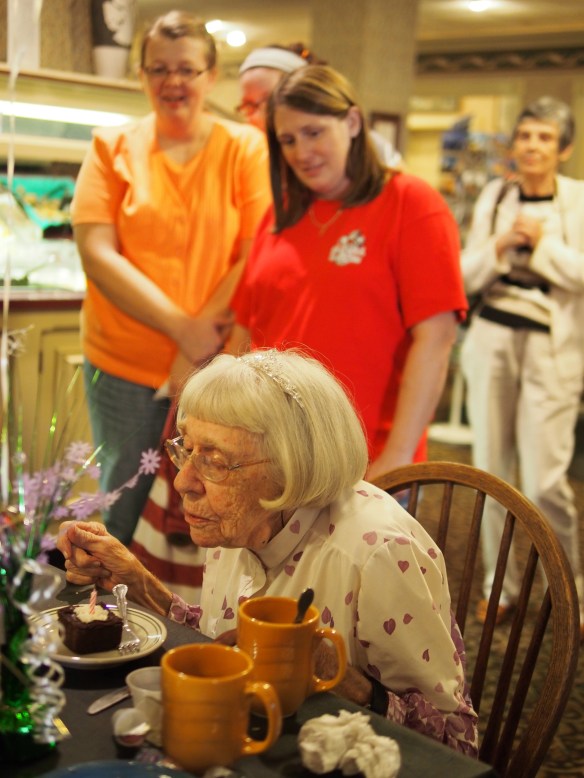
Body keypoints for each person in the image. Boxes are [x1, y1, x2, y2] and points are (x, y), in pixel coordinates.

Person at [58, 348, 478, 755]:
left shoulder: (378, 554)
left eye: (215, 460)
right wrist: (138, 581)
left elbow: (455, 745)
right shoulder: (239, 520)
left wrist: (343, 680)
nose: (184, 481)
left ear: (288, 470)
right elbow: (220, 636)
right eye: (186, 447)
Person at [71, 10, 271, 545]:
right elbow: (96, 251)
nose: (172, 82)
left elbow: (255, 250)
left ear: (211, 76)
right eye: (158, 69)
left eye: (186, 69)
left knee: (208, 511)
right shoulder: (110, 148)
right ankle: (107, 620)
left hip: (215, 365)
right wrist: (181, 326)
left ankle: (194, 625)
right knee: (122, 505)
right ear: (141, 76)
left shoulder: (245, 148)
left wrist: (201, 337)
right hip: (122, 365)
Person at [228, 65, 467, 480]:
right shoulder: (279, 215)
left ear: (352, 122)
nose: (302, 152)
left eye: (314, 132)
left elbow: (436, 339)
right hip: (270, 452)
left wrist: (398, 458)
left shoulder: (410, 203)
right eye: (288, 139)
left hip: (366, 458)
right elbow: (243, 333)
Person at [460, 96, 584, 633]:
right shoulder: (494, 196)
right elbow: (464, 274)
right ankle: (500, 587)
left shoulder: (578, 201)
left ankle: (569, 585)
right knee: (490, 470)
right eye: (526, 136)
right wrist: (502, 242)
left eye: (545, 139)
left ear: (565, 149)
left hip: (551, 351)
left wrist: (541, 246)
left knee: (546, 480)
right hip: (492, 338)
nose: (533, 146)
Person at [237, 45, 402, 167]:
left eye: (269, 102)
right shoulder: (248, 152)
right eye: (248, 105)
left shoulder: (372, 148)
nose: (258, 117)